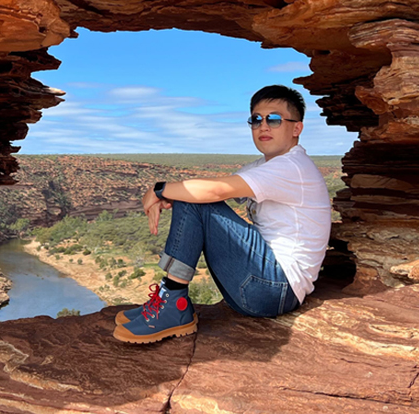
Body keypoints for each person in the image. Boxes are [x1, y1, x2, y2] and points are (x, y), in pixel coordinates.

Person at [113, 85, 332, 343]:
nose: (263, 126)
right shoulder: (266, 166)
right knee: (191, 195)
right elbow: (215, 185)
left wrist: (160, 190)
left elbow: (214, 191)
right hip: (263, 288)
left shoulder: (291, 167)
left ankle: (174, 303)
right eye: (256, 119)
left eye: (274, 119)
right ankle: (168, 300)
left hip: (274, 288)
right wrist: (173, 195)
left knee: (196, 199)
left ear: (297, 128)